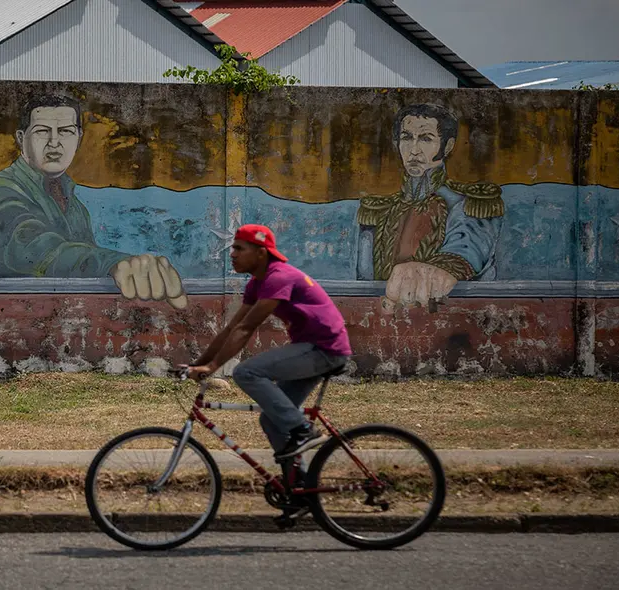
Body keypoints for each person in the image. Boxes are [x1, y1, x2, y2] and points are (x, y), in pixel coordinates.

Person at [0, 94, 186, 309]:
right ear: (21, 139)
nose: (54, 142)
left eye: (65, 131)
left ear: (78, 138)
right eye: (42, 131)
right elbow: (33, 246)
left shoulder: (74, 207)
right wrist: (114, 264)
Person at [184, 224, 352, 463]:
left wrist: (212, 367)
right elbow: (231, 328)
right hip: (312, 348)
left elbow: (246, 329)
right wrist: (198, 364)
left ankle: (304, 430)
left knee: (246, 372)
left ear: (261, 252)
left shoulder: (278, 277)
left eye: (239, 248)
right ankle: (297, 482)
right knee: (272, 421)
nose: (232, 254)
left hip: (324, 349)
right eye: (233, 248)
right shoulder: (256, 284)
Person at [357, 103, 503, 311]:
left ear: (448, 146)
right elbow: (363, 284)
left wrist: (438, 269)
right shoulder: (378, 210)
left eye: (426, 139)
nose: (414, 150)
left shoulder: (469, 203)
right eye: (407, 138)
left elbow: (467, 248)